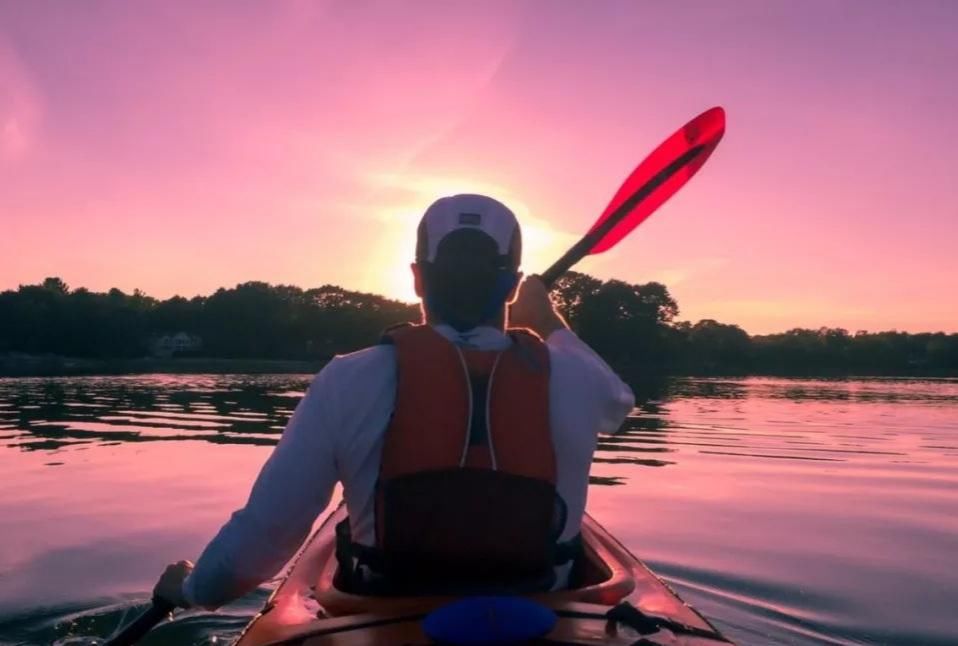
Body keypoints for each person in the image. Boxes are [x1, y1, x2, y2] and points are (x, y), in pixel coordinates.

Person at [154, 193, 634, 608]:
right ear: (511, 285)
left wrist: (192, 591)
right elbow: (619, 403)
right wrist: (547, 318)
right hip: (546, 611)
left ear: (417, 278)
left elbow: (264, 539)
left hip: (385, 608)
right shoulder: (578, 378)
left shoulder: (348, 378)